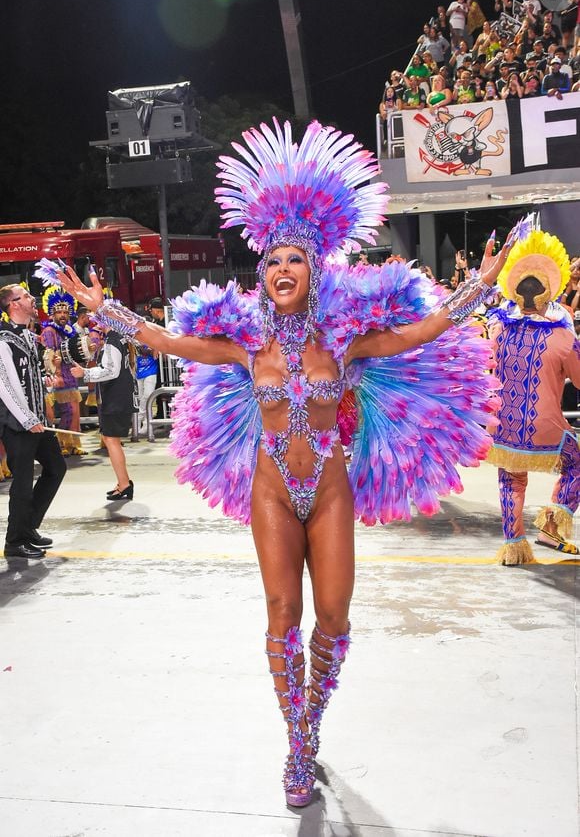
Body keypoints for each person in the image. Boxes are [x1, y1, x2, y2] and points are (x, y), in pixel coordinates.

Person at [41, 119, 513, 807]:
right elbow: (167, 339)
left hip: (328, 489)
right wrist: (102, 308)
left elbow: (423, 329)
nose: (283, 270)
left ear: (314, 269)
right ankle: (298, 742)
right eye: (272, 261)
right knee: (282, 608)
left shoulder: (344, 345)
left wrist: (481, 287)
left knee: (336, 614)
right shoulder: (245, 346)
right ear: (260, 273)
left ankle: (313, 711)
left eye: (295, 259)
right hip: (271, 491)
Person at [486, 222, 580, 565]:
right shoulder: (563, 338)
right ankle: (551, 528)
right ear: (548, 296)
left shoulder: (497, 330)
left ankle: (514, 547)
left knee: (510, 481)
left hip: (503, 428)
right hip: (547, 430)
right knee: (577, 463)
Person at [0, 284, 66, 560]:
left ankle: (28, 528)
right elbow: (5, 384)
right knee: (23, 482)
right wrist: (27, 419)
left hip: (36, 420)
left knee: (56, 468)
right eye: (25, 296)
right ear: (13, 304)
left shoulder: (27, 336)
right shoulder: (4, 340)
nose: (31, 298)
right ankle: (15, 541)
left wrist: (44, 381)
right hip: (19, 425)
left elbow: (27, 378)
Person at [71, 325, 138, 500]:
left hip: (115, 399)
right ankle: (123, 482)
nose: (94, 318)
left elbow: (110, 371)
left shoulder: (113, 340)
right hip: (119, 397)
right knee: (111, 440)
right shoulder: (119, 338)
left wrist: (84, 373)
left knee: (111, 440)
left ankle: (124, 484)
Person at [40, 287, 85, 456]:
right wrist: (57, 373)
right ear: (52, 314)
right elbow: (49, 355)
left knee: (75, 412)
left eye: (65, 312)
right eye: (59, 312)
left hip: (71, 375)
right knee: (68, 411)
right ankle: (62, 443)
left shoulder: (69, 331)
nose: (63, 315)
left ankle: (73, 444)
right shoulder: (50, 331)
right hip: (60, 377)